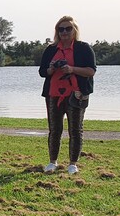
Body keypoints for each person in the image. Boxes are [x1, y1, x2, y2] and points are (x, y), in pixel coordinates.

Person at [38, 15, 96, 175]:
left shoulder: (83, 48)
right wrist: (51, 69)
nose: (64, 32)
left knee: (75, 130)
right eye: (60, 29)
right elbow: (43, 72)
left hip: (76, 95)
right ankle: (52, 162)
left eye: (68, 28)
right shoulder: (51, 49)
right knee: (54, 129)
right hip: (53, 94)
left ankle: (73, 164)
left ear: (74, 30)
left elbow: (91, 71)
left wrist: (71, 69)